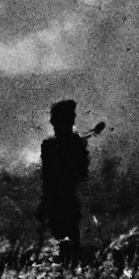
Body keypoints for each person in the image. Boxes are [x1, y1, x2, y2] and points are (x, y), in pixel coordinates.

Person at [39, 99, 91, 257]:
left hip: (61, 201)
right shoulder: (57, 145)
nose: (52, 121)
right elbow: (82, 175)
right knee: (67, 241)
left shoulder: (50, 146)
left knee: (64, 242)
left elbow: (80, 175)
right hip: (63, 200)